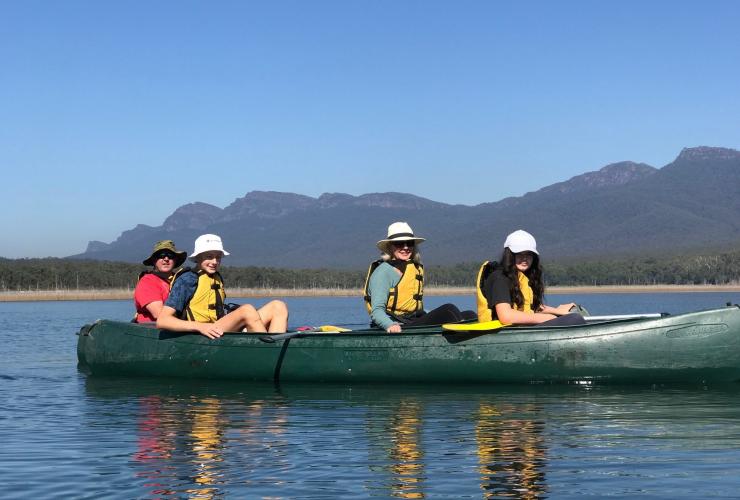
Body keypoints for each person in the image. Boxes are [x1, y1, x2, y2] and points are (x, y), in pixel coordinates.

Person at [156, 234, 288, 338]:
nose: (214, 261)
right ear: (198, 257)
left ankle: (277, 348)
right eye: (209, 256)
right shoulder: (187, 279)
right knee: (247, 310)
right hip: (202, 333)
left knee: (278, 306)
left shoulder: (216, 277)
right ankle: (269, 351)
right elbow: (163, 321)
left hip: (219, 328)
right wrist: (200, 327)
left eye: (218, 257)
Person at [363, 222, 475, 333]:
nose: (405, 247)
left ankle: (472, 338)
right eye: (399, 243)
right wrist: (390, 325)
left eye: (409, 243)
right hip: (397, 325)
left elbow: (413, 308)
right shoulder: (383, 272)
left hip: (412, 321)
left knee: (469, 315)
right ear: (390, 247)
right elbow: (376, 312)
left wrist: (430, 314)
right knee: (448, 310)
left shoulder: (414, 268)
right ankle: (464, 337)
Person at [477, 229, 585, 326]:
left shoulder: (522, 278)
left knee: (573, 315)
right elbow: (506, 316)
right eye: (519, 254)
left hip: (518, 329)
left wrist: (558, 311)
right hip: (503, 332)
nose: (525, 259)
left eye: (529, 254)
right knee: (574, 319)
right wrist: (548, 318)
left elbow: (531, 308)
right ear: (510, 255)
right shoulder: (500, 277)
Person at [133, 240, 187, 323]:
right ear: (154, 261)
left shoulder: (182, 280)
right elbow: (160, 315)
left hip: (179, 326)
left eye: (170, 256)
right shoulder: (147, 282)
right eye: (161, 256)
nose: (166, 259)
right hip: (151, 329)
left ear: (175, 260)